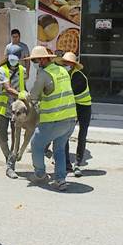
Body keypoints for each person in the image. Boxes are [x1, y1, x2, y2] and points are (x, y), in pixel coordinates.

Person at [23, 46, 77, 191]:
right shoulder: (63, 71)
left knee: (36, 145)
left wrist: (24, 95)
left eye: (35, 60)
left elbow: (33, 95)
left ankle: (40, 174)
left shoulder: (45, 75)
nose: (35, 63)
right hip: (71, 119)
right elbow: (55, 91)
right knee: (59, 149)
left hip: (54, 120)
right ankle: (60, 180)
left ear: (42, 59)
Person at [56, 52, 92, 177]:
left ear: (72, 64)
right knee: (65, 134)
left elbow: (68, 93)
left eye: (67, 63)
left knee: (82, 135)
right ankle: (66, 164)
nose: (65, 65)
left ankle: (77, 162)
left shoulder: (78, 76)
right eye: (64, 63)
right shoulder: (67, 75)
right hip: (74, 106)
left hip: (84, 108)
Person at [0, 54, 26, 179]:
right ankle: (8, 157)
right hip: (3, 108)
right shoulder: (2, 70)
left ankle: (10, 166)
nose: (13, 61)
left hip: (16, 109)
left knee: (15, 138)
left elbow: (24, 86)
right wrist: (21, 95)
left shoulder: (23, 71)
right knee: (2, 136)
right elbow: (7, 88)